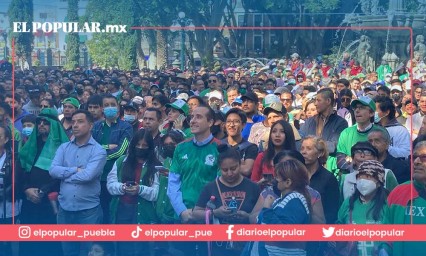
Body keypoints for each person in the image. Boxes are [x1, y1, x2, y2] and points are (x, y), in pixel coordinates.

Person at [50, 110, 107, 256]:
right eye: (73, 122)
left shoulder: (98, 151)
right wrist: (75, 169)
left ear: (90, 125)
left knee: (88, 252)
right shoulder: (64, 147)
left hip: (89, 211)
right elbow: (53, 171)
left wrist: (64, 176)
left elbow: (88, 176)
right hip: (65, 209)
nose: (75, 125)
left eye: (80, 121)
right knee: (68, 251)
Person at [167, 105, 220, 255]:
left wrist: (204, 212)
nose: (192, 121)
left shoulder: (220, 148)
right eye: (192, 117)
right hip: (183, 216)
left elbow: (220, 184)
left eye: (199, 117)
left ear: (210, 122)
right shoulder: (181, 147)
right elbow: (173, 183)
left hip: (208, 217)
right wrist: (181, 211)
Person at [193, 144, 262, 256]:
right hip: (217, 247)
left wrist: (248, 216)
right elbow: (195, 213)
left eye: (233, 168)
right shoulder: (210, 187)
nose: (230, 173)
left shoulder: (253, 187)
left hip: (246, 246)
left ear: (240, 164)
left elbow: (261, 217)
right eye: (225, 170)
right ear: (219, 168)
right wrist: (215, 213)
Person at [19, 108, 69, 256]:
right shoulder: (30, 146)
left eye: (46, 122)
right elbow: (21, 171)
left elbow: (64, 174)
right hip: (29, 199)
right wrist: (26, 189)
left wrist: (43, 191)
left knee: (49, 244)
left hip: (51, 201)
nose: (41, 124)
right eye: (39, 122)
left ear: (53, 125)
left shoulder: (63, 148)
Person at [107, 129, 160, 256]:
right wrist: (123, 188)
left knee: (141, 248)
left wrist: (140, 189)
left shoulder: (156, 166)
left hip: (144, 213)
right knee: (123, 246)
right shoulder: (121, 161)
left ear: (150, 147)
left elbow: (156, 193)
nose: (141, 148)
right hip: (122, 210)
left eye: (144, 146)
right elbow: (110, 184)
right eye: (138, 145)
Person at [252, 159, 312, 256]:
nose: (273, 181)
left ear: (287, 182)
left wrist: (267, 209)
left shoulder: (296, 201)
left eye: (277, 178)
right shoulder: (281, 201)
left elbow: (285, 233)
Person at [92, 94, 133, 224]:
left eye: (113, 105)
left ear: (118, 107)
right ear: (102, 109)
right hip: (97, 176)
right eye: (106, 105)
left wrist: (99, 154)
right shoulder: (96, 127)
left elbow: (122, 150)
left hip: (115, 176)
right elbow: (90, 149)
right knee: (98, 213)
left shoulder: (126, 127)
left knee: (112, 213)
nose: (110, 108)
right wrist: (106, 147)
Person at [337, 160, 391, 256]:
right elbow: (339, 227)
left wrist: (385, 250)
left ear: (379, 182)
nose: (362, 180)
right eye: (360, 176)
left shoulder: (387, 205)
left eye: (368, 177)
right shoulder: (348, 203)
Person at [387, 139, 426, 255]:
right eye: (414, 157)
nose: (417, 162)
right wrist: (384, 248)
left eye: (424, 157)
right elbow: (386, 230)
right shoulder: (399, 192)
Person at [300, 88, 348, 174]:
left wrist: (311, 146)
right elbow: (301, 141)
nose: (315, 104)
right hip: (307, 168)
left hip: (329, 169)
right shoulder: (310, 121)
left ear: (328, 101)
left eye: (318, 100)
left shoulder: (341, 123)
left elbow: (334, 146)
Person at [336, 96, 386, 172]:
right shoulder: (346, 133)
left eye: (362, 108)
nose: (357, 111)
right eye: (355, 108)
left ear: (372, 113)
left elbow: (383, 158)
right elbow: (340, 160)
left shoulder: (381, 132)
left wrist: (352, 160)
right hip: (349, 178)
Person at [300, 136, 339, 224]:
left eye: (309, 149)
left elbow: (332, 212)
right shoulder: (296, 176)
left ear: (320, 153)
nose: (303, 152)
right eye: (302, 148)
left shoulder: (329, 179)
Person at [0, 125, 22, 256]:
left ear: (6, 139)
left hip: (6, 206)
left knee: (6, 243)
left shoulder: (12, 159)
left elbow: (16, 183)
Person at [222, 108, 258, 177]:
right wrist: (239, 164)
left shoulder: (250, 147)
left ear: (243, 124)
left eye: (236, 121)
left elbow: (246, 170)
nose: (231, 125)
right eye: (228, 121)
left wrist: (223, 165)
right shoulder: (219, 144)